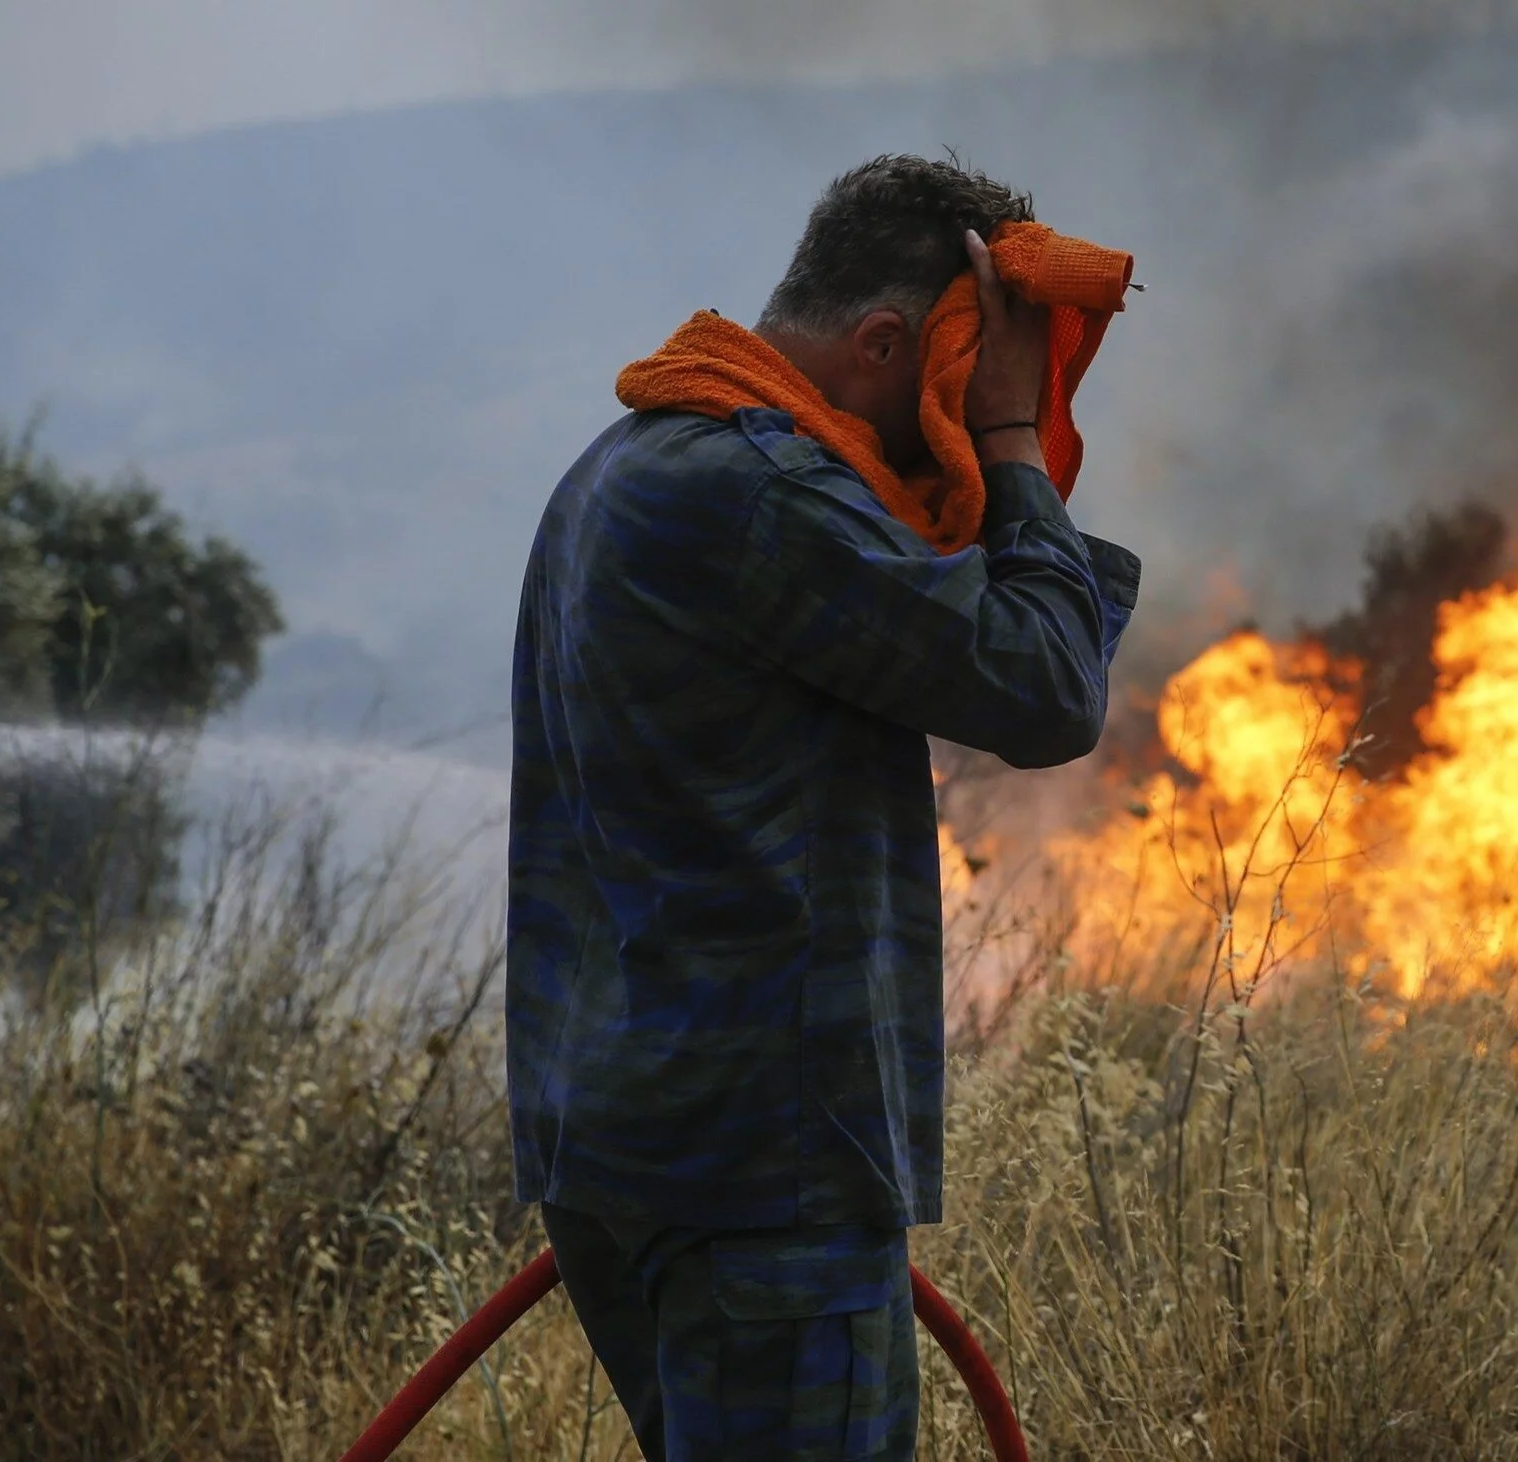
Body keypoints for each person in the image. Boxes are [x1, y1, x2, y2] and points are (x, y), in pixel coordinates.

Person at [505, 155, 1139, 1460]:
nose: (969, 414)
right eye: (966, 378)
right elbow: (1047, 688)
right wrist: (1015, 442)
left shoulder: (632, 465)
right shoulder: (765, 500)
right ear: (884, 342)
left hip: (643, 1150)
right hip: (764, 1175)